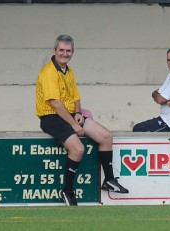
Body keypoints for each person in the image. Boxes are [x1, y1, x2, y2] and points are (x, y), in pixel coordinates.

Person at [35, 35, 128, 206]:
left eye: (68, 51)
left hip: (69, 115)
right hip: (51, 117)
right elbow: (55, 103)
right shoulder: (48, 72)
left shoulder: (68, 71)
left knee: (106, 136)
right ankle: (67, 190)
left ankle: (109, 180)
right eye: (61, 50)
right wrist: (74, 124)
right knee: (78, 149)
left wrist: (78, 113)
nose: (65, 54)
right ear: (54, 51)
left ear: (73, 52)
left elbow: (75, 96)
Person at [133, 48, 170, 133]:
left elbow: (159, 99)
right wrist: (166, 100)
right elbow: (158, 95)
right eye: (168, 60)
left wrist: (162, 97)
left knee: (138, 129)